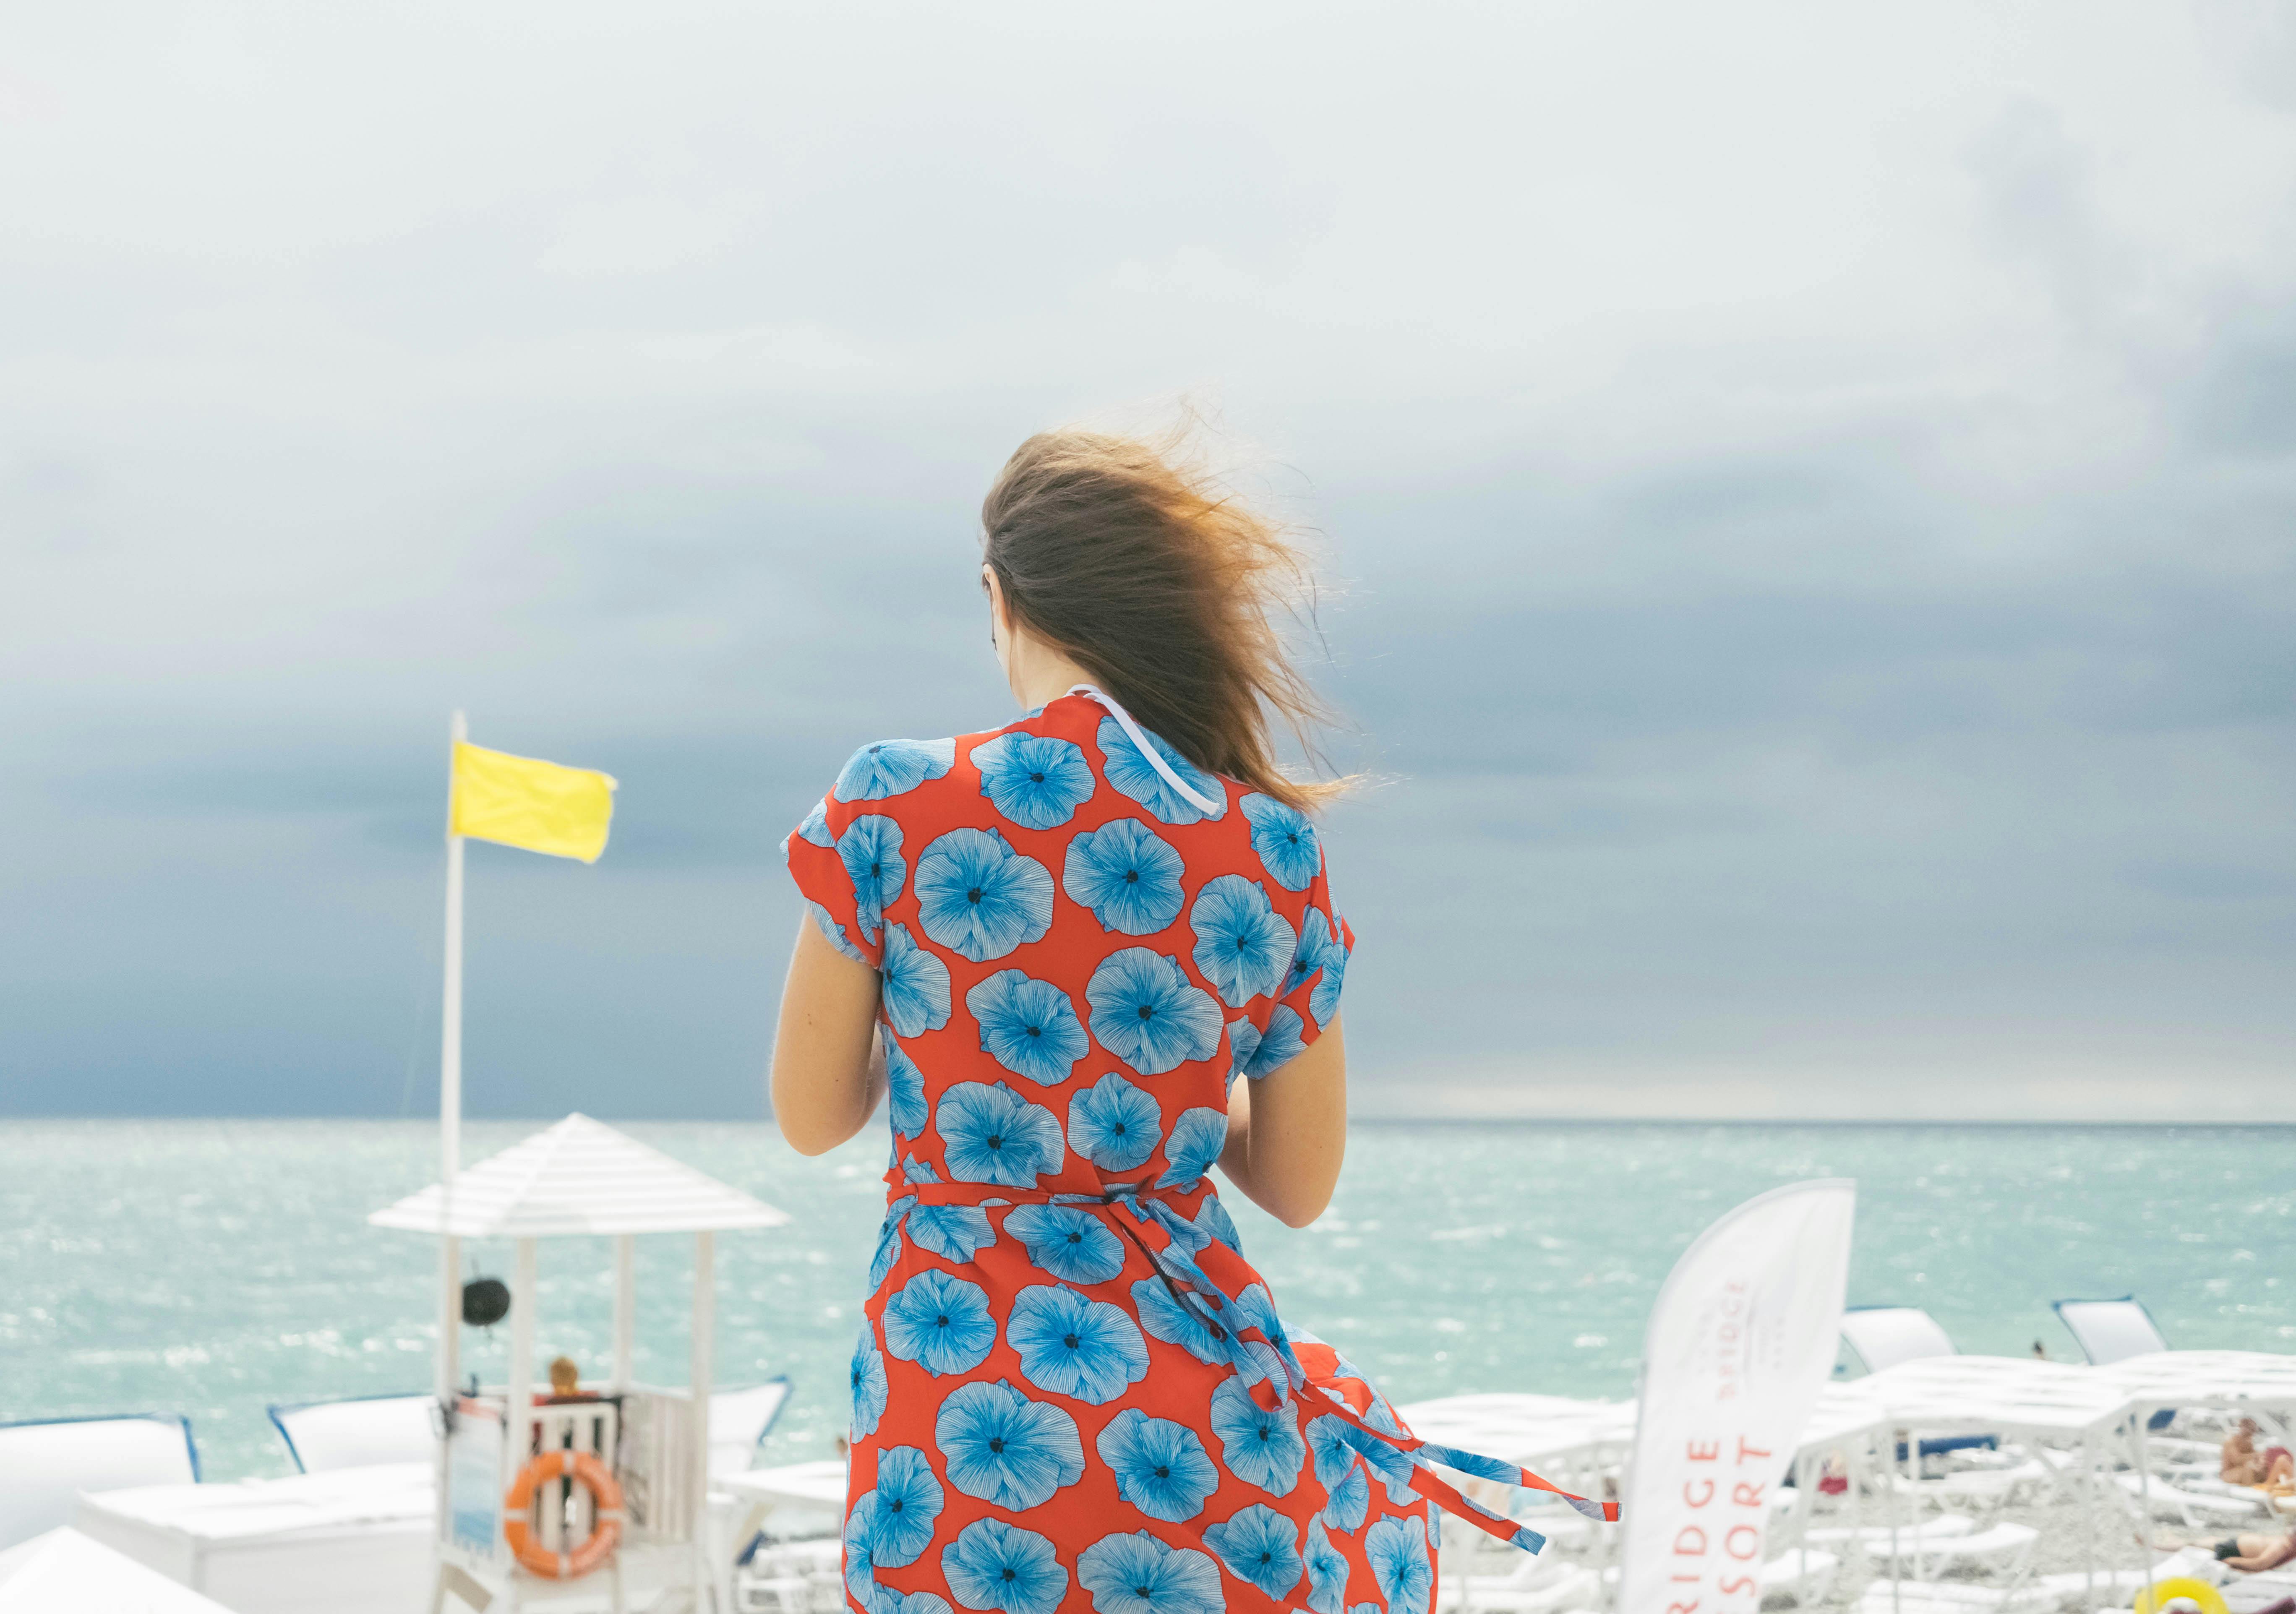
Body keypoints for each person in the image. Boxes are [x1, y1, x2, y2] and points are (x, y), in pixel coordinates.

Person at [772, 428, 1614, 1614]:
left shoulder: (892, 799)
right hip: (1199, 1430)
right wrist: (1156, 1101)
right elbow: (1300, 1181)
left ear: (998, 598)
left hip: (959, 1420)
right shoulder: (1271, 844)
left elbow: (812, 1116)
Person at [2223, 1418, 2295, 1489]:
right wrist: (2255, 1456)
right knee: (2250, 1468)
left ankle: (2272, 1485)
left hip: (2244, 1468)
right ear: (2242, 1429)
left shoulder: (2249, 1442)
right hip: (2230, 1473)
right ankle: (2250, 1492)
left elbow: (2254, 1456)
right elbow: (2237, 1460)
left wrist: (2260, 1461)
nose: (2251, 1435)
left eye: (2252, 1432)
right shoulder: (2231, 1442)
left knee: (2264, 1468)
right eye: (2249, 1431)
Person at [2213, 1526, 2296, 1571]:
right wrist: (2226, 1561)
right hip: (2232, 1551)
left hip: (2238, 1547)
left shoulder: (2289, 1547)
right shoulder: (2283, 1546)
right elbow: (2259, 1565)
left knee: (2213, 1543)